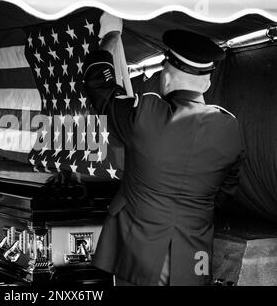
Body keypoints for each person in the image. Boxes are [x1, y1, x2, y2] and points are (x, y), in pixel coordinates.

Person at [84, 16, 243, 286]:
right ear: (206, 83)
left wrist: (110, 34)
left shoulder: (145, 114)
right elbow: (225, 193)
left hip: (139, 257)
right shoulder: (231, 128)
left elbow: (98, 83)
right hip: (195, 259)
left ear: (166, 76)